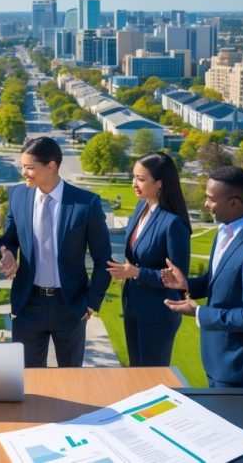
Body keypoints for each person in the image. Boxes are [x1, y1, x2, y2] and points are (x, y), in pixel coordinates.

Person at [161, 166, 243, 388]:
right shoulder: (227, 229)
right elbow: (217, 280)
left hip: (239, 365)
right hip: (216, 358)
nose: (206, 204)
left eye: (210, 199)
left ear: (234, 203)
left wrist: (198, 312)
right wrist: (186, 284)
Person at [0, 136, 112, 367]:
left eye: (29, 167)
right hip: (27, 304)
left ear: (51, 166)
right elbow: (8, 239)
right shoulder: (18, 196)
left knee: (71, 379)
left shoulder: (86, 203)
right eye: (23, 166)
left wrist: (91, 303)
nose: (23, 172)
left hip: (70, 307)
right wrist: (6, 252)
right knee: (27, 380)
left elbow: (103, 260)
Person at [105, 152, 191, 366]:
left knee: (153, 378)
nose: (134, 183)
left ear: (159, 183)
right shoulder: (141, 207)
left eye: (141, 179)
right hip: (132, 305)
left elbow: (178, 278)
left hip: (157, 313)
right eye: (134, 177)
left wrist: (136, 272)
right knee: (136, 373)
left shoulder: (173, 224)